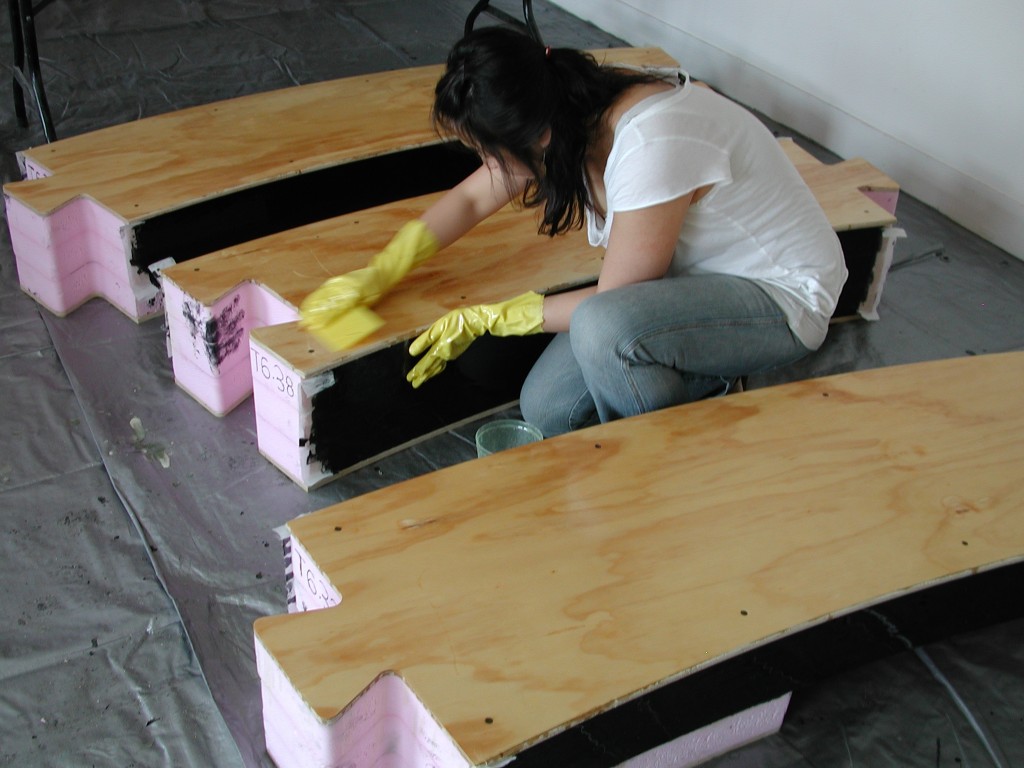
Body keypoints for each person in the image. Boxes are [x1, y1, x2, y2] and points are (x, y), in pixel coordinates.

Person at [300, 26, 847, 437]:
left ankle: (666, 461)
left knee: (604, 332)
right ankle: (708, 376)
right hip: (696, 284)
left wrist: (495, 316)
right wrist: (379, 273)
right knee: (547, 409)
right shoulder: (560, 107)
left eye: (491, 150)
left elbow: (614, 303)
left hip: (781, 298)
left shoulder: (650, 143)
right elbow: (472, 195)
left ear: (535, 135)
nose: (489, 163)